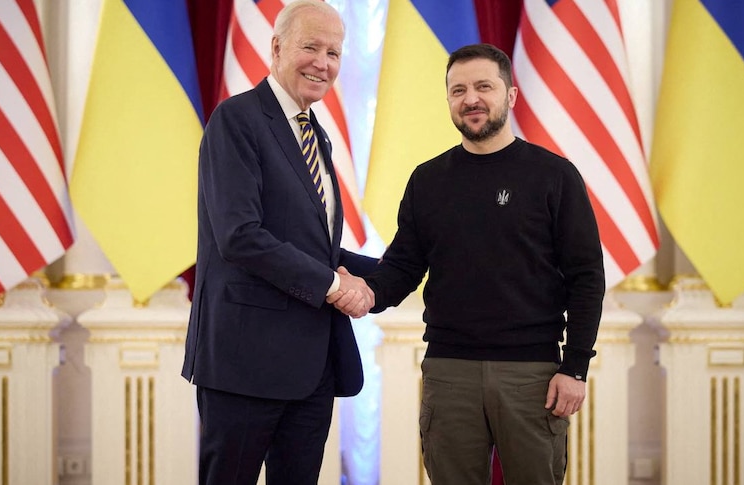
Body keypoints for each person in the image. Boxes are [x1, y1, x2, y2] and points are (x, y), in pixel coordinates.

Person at [334, 43, 605, 484]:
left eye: (484, 86)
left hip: (533, 374)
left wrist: (574, 367)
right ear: (448, 101)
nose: (471, 99)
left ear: (510, 96)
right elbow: (403, 267)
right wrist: (365, 291)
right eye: (458, 90)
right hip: (448, 371)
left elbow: (587, 278)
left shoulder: (554, 176)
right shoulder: (428, 180)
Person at [181, 1, 377, 484]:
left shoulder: (317, 136)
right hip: (243, 365)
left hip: (311, 369)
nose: (323, 62)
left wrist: (390, 273)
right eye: (310, 46)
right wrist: (335, 287)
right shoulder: (236, 120)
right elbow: (240, 236)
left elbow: (316, 250)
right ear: (276, 48)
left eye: (334, 52)